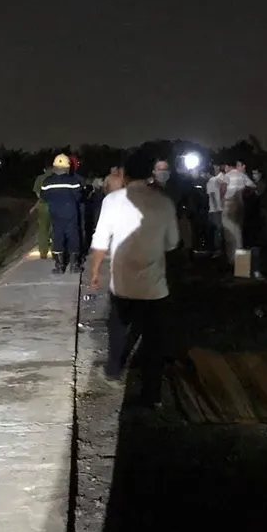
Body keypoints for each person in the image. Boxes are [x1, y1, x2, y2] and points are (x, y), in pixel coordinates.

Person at [88, 147, 179, 409]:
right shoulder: (164, 202)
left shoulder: (112, 201)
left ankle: (113, 370)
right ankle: (152, 395)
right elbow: (172, 243)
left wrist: (94, 272)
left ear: (125, 175)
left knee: (118, 329)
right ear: (150, 173)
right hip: (154, 287)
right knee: (153, 341)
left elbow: (100, 241)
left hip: (122, 284)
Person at [40, 153, 85, 274]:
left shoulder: (47, 182)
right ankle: (74, 266)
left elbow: (43, 197)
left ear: (54, 167)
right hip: (71, 214)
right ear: (67, 167)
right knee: (73, 237)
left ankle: (59, 266)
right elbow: (79, 197)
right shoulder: (73, 181)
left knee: (57, 238)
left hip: (55, 214)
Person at [220, 160, 255, 263]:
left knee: (229, 232)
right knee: (238, 230)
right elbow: (253, 187)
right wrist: (244, 195)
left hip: (229, 204)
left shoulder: (227, 175)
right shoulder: (242, 176)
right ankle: (240, 258)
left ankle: (231, 259)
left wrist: (222, 200)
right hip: (240, 204)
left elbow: (223, 188)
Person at [31, 165, 55, 259]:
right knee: (55, 228)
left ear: (44, 169)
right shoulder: (57, 177)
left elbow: (38, 194)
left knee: (43, 229)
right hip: (56, 206)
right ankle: (55, 251)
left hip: (43, 206)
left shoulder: (40, 178)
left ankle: (43, 252)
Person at [205, 165, 225, 256]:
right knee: (218, 229)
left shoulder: (211, 181)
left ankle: (217, 249)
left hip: (214, 209)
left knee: (217, 229)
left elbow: (212, 194)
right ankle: (217, 248)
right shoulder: (218, 180)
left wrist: (216, 207)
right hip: (219, 208)